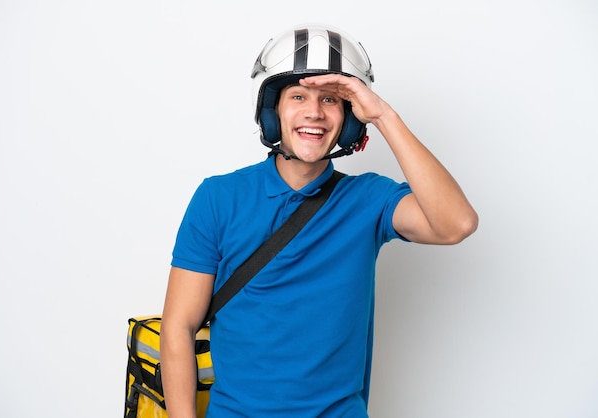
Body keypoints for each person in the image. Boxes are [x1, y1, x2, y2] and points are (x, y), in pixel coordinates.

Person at [160, 24, 478, 418]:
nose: (314, 112)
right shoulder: (219, 197)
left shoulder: (370, 200)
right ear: (272, 112)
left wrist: (384, 116)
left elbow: (456, 224)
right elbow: (178, 328)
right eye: (298, 96)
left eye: (330, 99)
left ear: (349, 120)